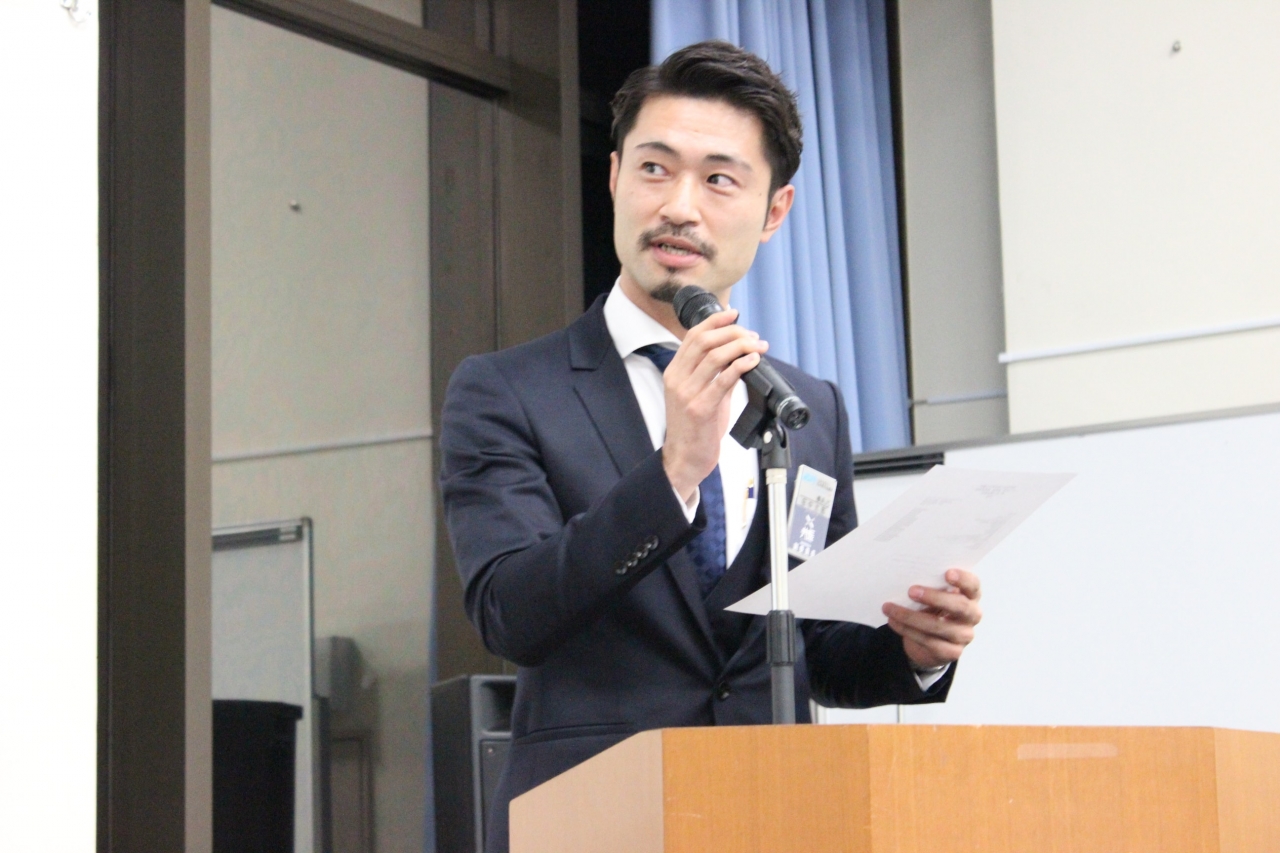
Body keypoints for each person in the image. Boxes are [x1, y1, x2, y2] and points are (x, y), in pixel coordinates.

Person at [439, 40, 983, 853]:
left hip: (773, 817)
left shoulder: (806, 407)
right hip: (592, 823)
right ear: (614, 176)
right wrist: (674, 473)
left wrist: (913, 650)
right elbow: (509, 613)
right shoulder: (507, 390)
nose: (679, 206)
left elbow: (811, 646)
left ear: (775, 211)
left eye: (719, 179)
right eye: (655, 169)